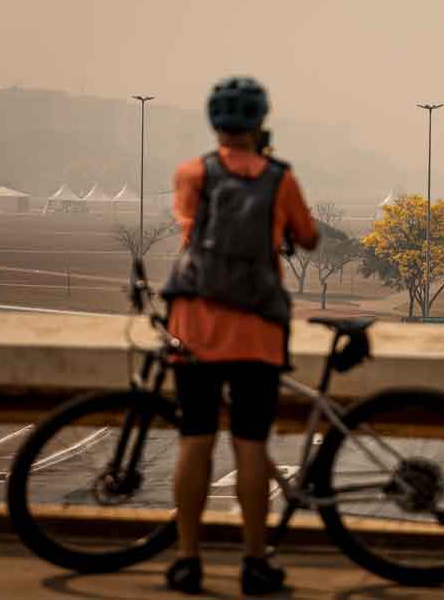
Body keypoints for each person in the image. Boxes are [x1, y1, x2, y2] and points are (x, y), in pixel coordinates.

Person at [161, 77, 318, 595]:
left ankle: (187, 561)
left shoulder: (193, 173)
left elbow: (189, 230)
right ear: (259, 123)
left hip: (195, 327)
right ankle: (254, 562)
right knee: (250, 448)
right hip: (257, 332)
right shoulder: (280, 178)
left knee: (194, 442)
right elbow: (308, 237)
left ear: (215, 124)